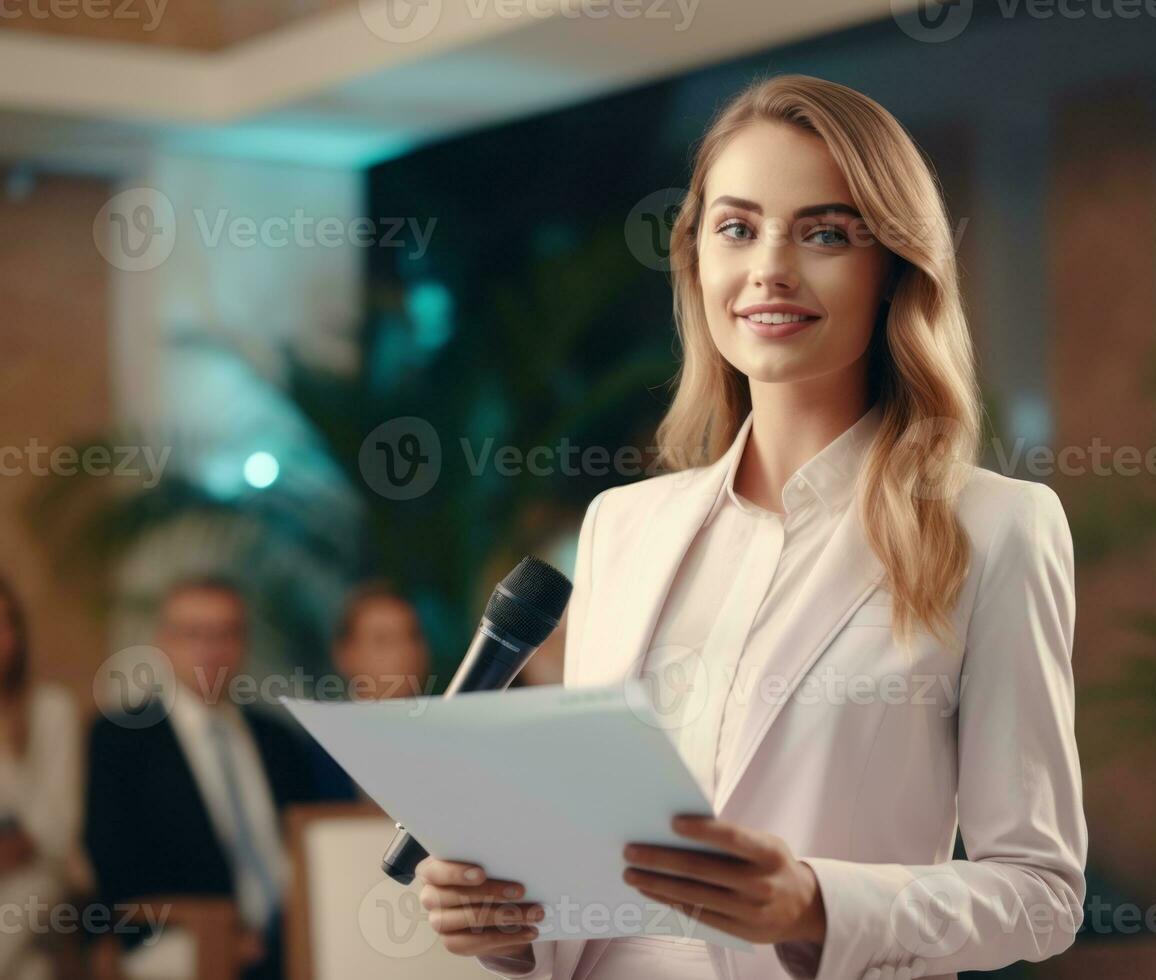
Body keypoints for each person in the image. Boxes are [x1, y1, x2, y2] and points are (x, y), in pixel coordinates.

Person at [415, 74, 1087, 980]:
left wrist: (811, 904)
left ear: (893, 265)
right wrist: (508, 928)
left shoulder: (997, 526)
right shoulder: (623, 525)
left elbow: (1039, 896)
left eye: (823, 232)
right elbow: (592, 887)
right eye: (737, 227)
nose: (770, 266)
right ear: (697, 260)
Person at [84, 575, 318, 980]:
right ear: (163, 643)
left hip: (293, 929)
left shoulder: (277, 738)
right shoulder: (122, 739)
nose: (211, 649)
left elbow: (306, 841)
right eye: (194, 633)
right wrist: (224, 930)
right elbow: (114, 864)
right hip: (181, 934)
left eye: (226, 633)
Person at [0, 574, 85, 980]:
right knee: (31, 971)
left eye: (4, 623)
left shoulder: (51, 711)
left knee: (28, 891)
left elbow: (56, 828)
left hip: (39, 877)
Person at [308, 581, 432, 802]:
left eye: (412, 637)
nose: (404, 652)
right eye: (383, 640)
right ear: (346, 654)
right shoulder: (315, 750)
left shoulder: (446, 739)